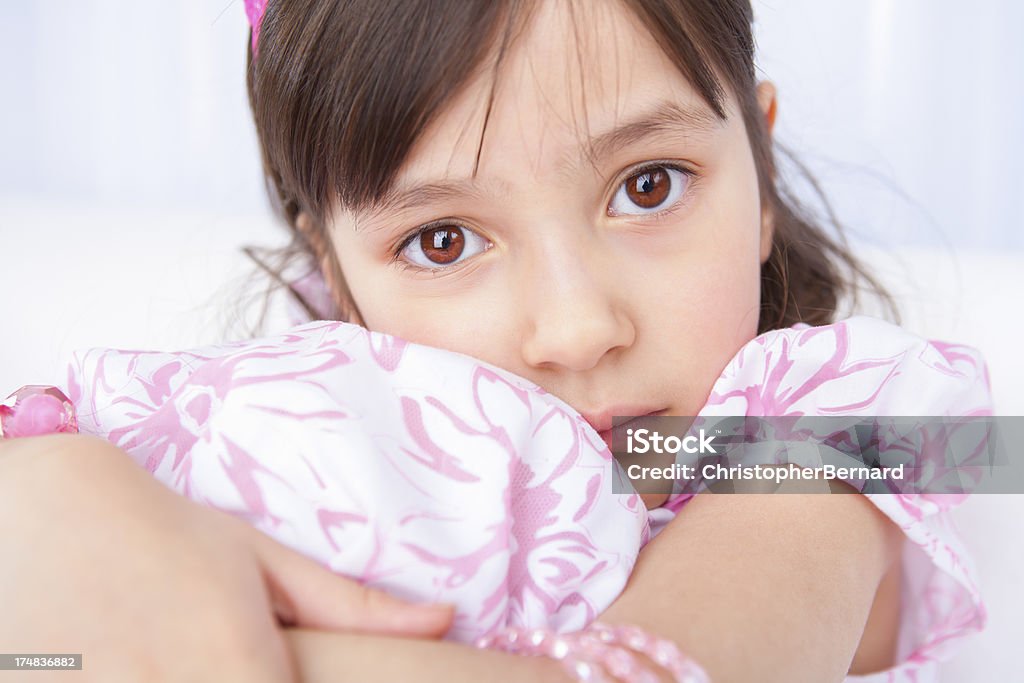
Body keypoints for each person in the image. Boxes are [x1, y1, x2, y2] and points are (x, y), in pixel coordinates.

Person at [0, 1, 992, 681]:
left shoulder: (841, 422)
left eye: (649, 184)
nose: (576, 328)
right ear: (335, 274)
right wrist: (53, 498)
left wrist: (116, 636)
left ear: (761, 169)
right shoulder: (306, 418)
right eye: (442, 240)